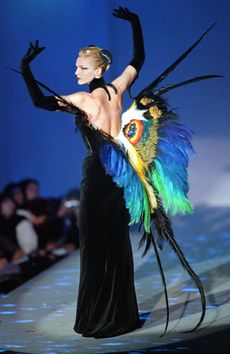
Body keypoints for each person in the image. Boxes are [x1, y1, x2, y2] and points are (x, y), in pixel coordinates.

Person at [20, 7, 145, 338]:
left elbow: (39, 102)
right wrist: (134, 23)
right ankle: (121, 316)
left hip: (97, 174)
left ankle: (96, 319)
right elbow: (138, 59)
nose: (76, 71)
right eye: (76, 66)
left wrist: (24, 68)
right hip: (120, 173)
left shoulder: (81, 100)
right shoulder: (117, 91)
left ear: (99, 69)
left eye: (82, 67)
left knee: (93, 246)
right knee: (117, 244)